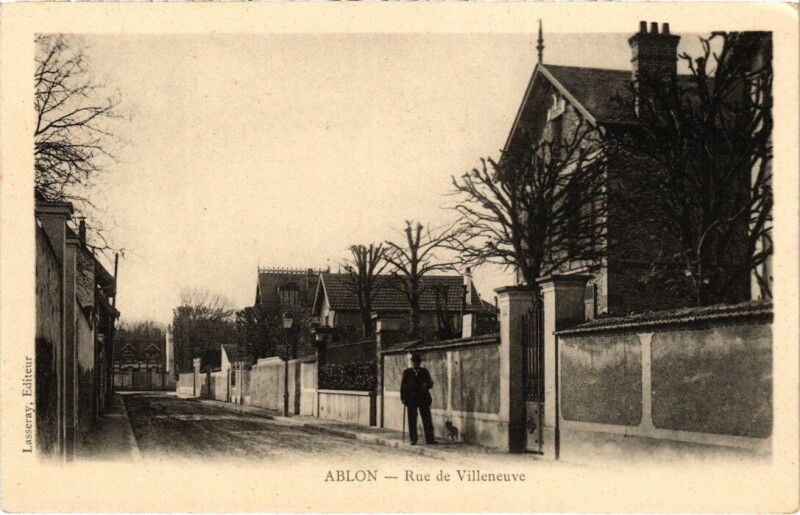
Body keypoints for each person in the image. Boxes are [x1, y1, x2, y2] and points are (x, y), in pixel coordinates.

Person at [400, 353, 437, 445]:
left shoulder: (424, 372)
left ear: (420, 363)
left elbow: (430, 383)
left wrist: (427, 385)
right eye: (414, 362)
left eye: (418, 362)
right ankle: (413, 439)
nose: (416, 364)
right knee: (412, 420)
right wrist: (403, 398)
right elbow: (403, 386)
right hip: (411, 399)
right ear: (412, 362)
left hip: (423, 399)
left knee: (427, 419)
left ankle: (430, 439)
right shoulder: (407, 372)